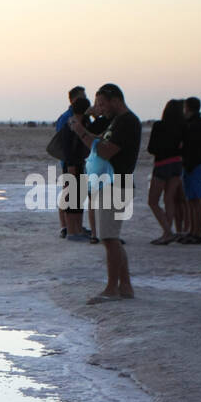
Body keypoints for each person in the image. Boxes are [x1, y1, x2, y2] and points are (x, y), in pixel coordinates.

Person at [70, 83, 138, 302]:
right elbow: (99, 137)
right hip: (111, 183)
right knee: (112, 238)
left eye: (102, 103)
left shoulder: (126, 122)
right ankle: (125, 287)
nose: (100, 108)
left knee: (109, 239)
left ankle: (111, 288)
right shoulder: (117, 121)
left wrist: (81, 132)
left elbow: (106, 151)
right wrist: (87, 121)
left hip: (115, 184)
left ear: (115, 100)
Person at [145, 98, 186, 245]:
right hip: (177, 164)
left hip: (162, 164)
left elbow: (151, 148)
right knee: (169, 199)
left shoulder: (159, 125)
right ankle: (167, 231)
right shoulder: (182, 127)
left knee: (153, 201)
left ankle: (168, 232)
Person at [54, 86, 87, 236]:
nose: (86, 99)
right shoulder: (66, 118)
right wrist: (70, 164)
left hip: (80, 161)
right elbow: (64, 143)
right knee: (68, 194)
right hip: (69, 163)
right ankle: (65, 227)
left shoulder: (83, 117)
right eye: (82, 97)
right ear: (74, 100)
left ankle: (77, 227)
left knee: (78, 196)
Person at [180, 96, 201, 244]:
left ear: (188, 108)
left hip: (196, 165)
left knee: (196, 200)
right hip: (196, 164)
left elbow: (191, 147)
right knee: (192, 201)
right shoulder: (200, 124)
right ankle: (193, 231)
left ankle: (198, 233)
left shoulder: (195, 125)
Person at [62, 95, 92, 240]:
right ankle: (72, 232)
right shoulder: (73, 125)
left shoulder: (80, 124)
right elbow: (69, 148)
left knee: (78, 199)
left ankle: (77, 230)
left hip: (78, 164)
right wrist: (71, 166)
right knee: (72, 199)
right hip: (73, 165)